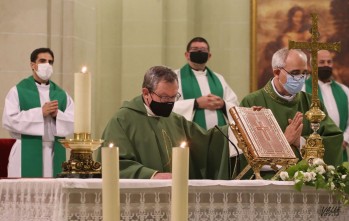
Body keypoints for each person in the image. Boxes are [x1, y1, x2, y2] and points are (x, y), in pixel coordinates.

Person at [101, 66, 236, 179]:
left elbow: (208, 141)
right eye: (164, 97)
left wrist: (237, 128)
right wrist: (152, 175)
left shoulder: (175, 120)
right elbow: (113, 163)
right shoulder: (122, 121)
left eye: (174, 96)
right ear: (146, 92)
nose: (170, 102)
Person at [241, 48, 343, 167]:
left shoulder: (311, 103)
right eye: (295, 73)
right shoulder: (252, 102)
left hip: (305, 180)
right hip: (268, 179)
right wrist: (284, 140)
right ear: (277, 72)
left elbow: (334, 139)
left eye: (304, 72)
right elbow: (243, 149)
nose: (301, 78)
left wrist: (300, 142)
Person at [2, 48, 74, 178]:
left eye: (50, 62)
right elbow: (9, 120)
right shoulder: (18, 91)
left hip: (54, 152)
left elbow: (74, 121)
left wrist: (58, 116)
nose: (47, 65)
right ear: (32, 65)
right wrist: (40, 113)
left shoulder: (62, 94)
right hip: (25, 152)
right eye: (42, 61)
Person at [172, 37, 239, 130]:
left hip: (219, 135)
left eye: (203, 50)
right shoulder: (174, 77)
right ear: (187, 55)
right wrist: (195, 103)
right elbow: (167, 106)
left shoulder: (219, 78)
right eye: (195, 49)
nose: (199, 52)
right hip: (188, 134)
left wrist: (223, 104)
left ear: (209, 55)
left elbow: (235, 105)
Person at [303, 50, 349, 161]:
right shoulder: (303, 89)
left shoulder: (344, 90)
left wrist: (345, 139)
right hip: (313, 149)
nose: (326, 65)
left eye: (329, 62)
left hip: (339, 147)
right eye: (322, 62)